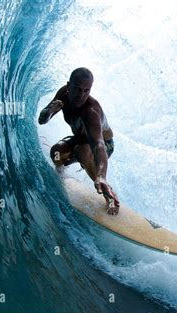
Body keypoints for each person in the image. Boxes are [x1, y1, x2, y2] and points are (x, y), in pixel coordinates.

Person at [38, 67, 120, 215]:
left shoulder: (91, 112)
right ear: (69, 85)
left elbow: (99, 146)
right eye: (77, 89)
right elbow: (42, 120)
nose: (81, 95)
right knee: (56, 152)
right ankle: (61, 174)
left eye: (86, 90)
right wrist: (49, 111)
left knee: (82, 151)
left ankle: (109, 195)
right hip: (81, 140)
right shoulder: (63, 94)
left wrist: (102, 176)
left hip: (105, 145)